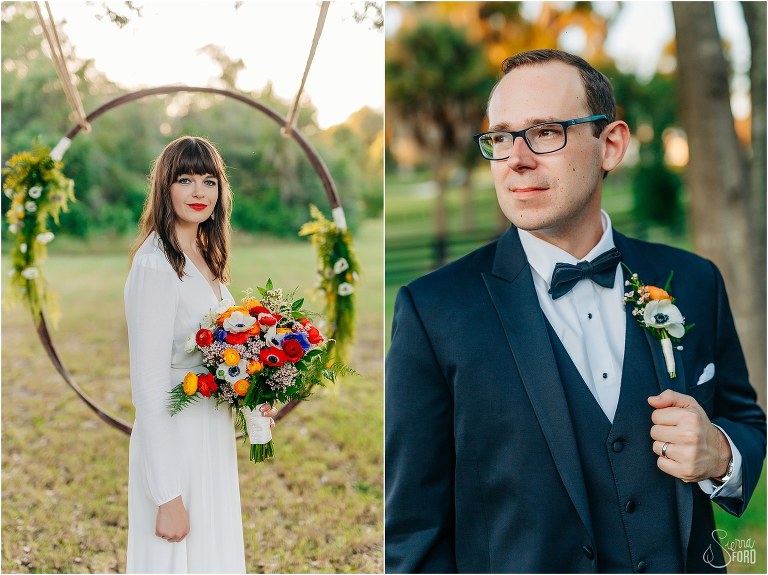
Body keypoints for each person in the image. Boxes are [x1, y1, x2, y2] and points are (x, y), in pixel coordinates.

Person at [385, 49, 766, 573]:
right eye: (500, 137)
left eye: (544, 132)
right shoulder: (433, 313)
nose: (516, 159)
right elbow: (411, 534)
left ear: (610, 145)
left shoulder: (695, 281)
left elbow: (743, 417)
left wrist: (722, 455)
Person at [124, 136, 277, 573]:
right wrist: (167, 495)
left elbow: (218, 351)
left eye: (209, 181)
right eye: (185, 179)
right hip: (174, 440)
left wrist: (249, 389)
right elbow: (150, 388)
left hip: (210, 433)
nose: (199, 193)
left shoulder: (207, 257)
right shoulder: (155, 265)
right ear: (164, 188)